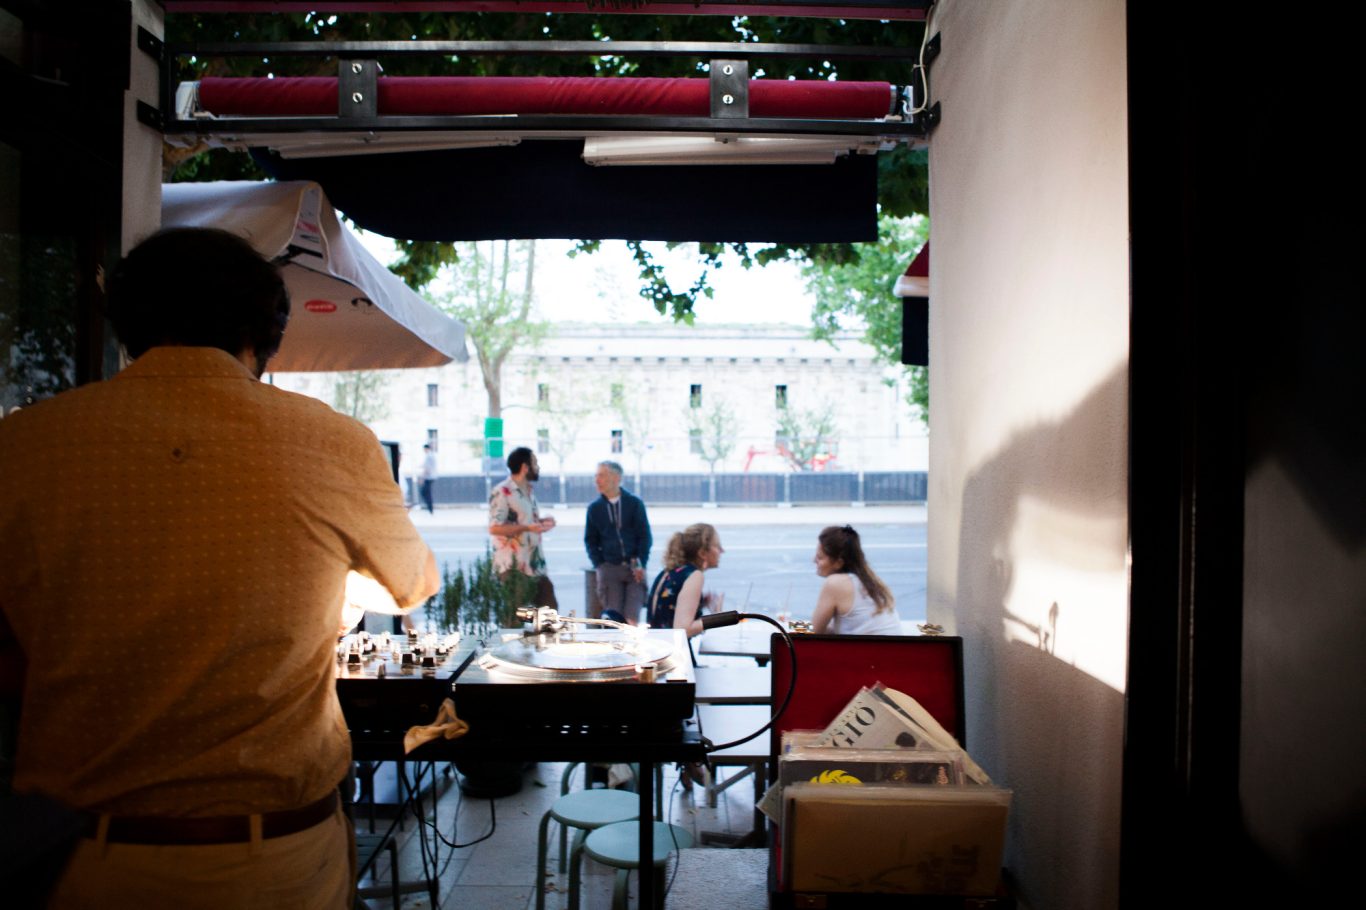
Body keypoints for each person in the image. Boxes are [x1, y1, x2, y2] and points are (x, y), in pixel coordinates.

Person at [0, 227, 439, 908]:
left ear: (126, 323)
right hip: (272, 862)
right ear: (265, 334)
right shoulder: (330, 442)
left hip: (80, 860)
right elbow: (411, 584)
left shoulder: (22, 444)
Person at [489, 446, 558, 608]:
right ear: (525, 467)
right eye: (535, 463)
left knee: (549, 611)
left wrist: (542, 522)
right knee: (515, 617)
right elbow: (494, 528)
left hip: (535, 564)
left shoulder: (528, 491)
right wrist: (527, 528)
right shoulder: (502, 491)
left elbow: (525, 520)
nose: (538, 467)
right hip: (513, 566)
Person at [584, 460, 653, 624]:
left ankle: (632, 649)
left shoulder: (634, 503)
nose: (597, 480)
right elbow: (590, 540)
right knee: (614, 621)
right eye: (596, 476)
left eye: (601, 476)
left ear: (616, 478)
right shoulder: (595, 508)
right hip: (609, 570)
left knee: (631, 620)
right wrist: (599, 564)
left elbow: (645, 536)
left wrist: (641, 562)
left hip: (634, 569)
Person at [810, 525, 900, 635]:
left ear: (839, 563)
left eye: (820, 557)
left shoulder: (835, 583)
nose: (814, 560)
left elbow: (814, 633)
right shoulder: (867, 580)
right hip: (890, 649)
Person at [645, 523, 724, 638]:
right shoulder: (694, 575)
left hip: (657, 650)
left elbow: (667, 611)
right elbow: (683, 629)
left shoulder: (669, 571)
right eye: (717, 546)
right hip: (674, 653)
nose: (722, 551)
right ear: (702, 553)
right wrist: (718, 618)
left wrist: (700, 604)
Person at [420, 443, 437, 513]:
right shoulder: (432, 455)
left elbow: (427, 469)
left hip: (428, 477)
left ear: (426, 449)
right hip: (432, 477)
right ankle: (430, 508)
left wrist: (422, 478)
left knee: (424, 492)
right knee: (427, 492)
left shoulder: (428, 456)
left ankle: (430, 508)